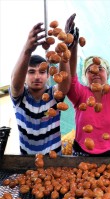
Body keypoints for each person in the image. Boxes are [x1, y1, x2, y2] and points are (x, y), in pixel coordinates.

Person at [64, 14, 110, 156]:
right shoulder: (80, 93)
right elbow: (70, 77)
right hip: (83, 152)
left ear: (107, 74)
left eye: (100, 69)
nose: (95, 72)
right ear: (85, 76)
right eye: (90, 70)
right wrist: (72, 45)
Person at [9, 23, 70, 155]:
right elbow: (15, 84)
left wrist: (64, 47)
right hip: (27, 165)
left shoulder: (54, 95)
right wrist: (27, 50)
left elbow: (64, 83)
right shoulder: (20, 97)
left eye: (42, 72)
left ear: (49, 75)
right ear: (25, 76)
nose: (37, 77)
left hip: (55, 163)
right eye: (31, 72)